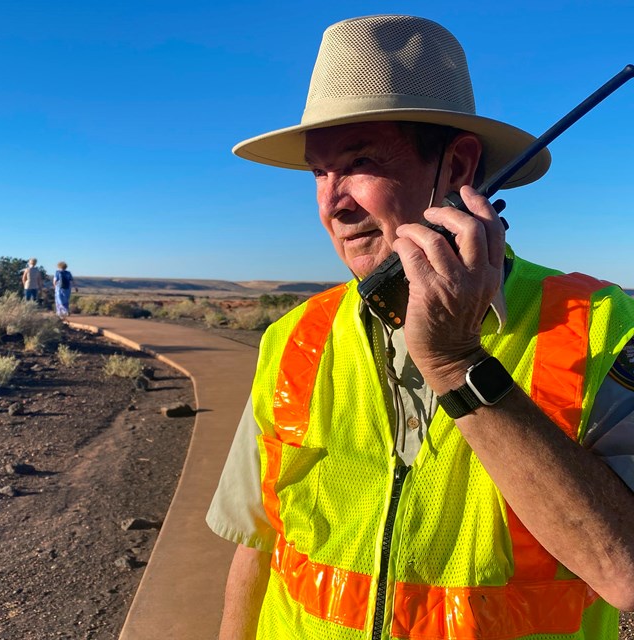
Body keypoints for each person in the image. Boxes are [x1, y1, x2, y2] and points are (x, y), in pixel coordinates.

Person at [207, 15, 634, 639]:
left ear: (460, 168)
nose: (334, 202)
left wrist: (459, 365)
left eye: (360, 162)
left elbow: (623, 572)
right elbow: (259, 548)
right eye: (319, 173)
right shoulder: (295, 338)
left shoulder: (599, 329)